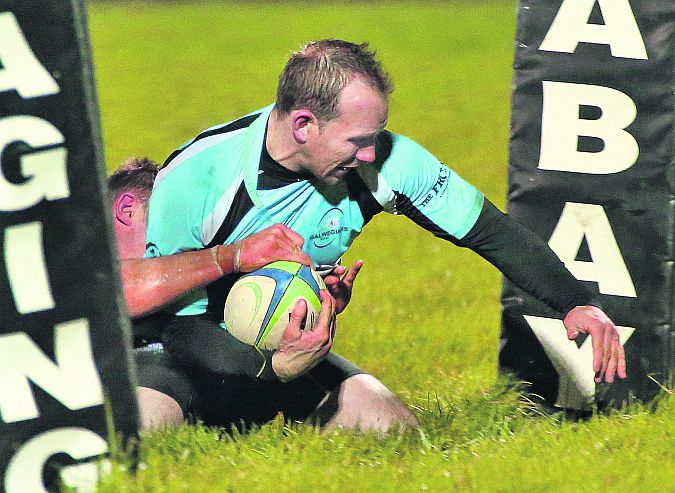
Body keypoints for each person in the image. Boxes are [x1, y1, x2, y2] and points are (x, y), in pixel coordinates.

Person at [145, 39, 626, 397]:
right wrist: (273, 365)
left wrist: (575, 302)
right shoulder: (197, 177)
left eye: (375, 135)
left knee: (389, 428)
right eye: (357, 140)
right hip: (182, 347)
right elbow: (168, 313)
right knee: (182, 408)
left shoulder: (390, 162)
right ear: (304, 125)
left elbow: (491, 232)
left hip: (286, 348)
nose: (371, 152)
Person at [109, 157, 417, 432]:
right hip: (163, 369)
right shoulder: (82, 271)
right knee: (135, 436)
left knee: (394, 426)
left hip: (247, 370)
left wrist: (310, 301)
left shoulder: (213, 246)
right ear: (126, 209)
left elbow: (244, 324)